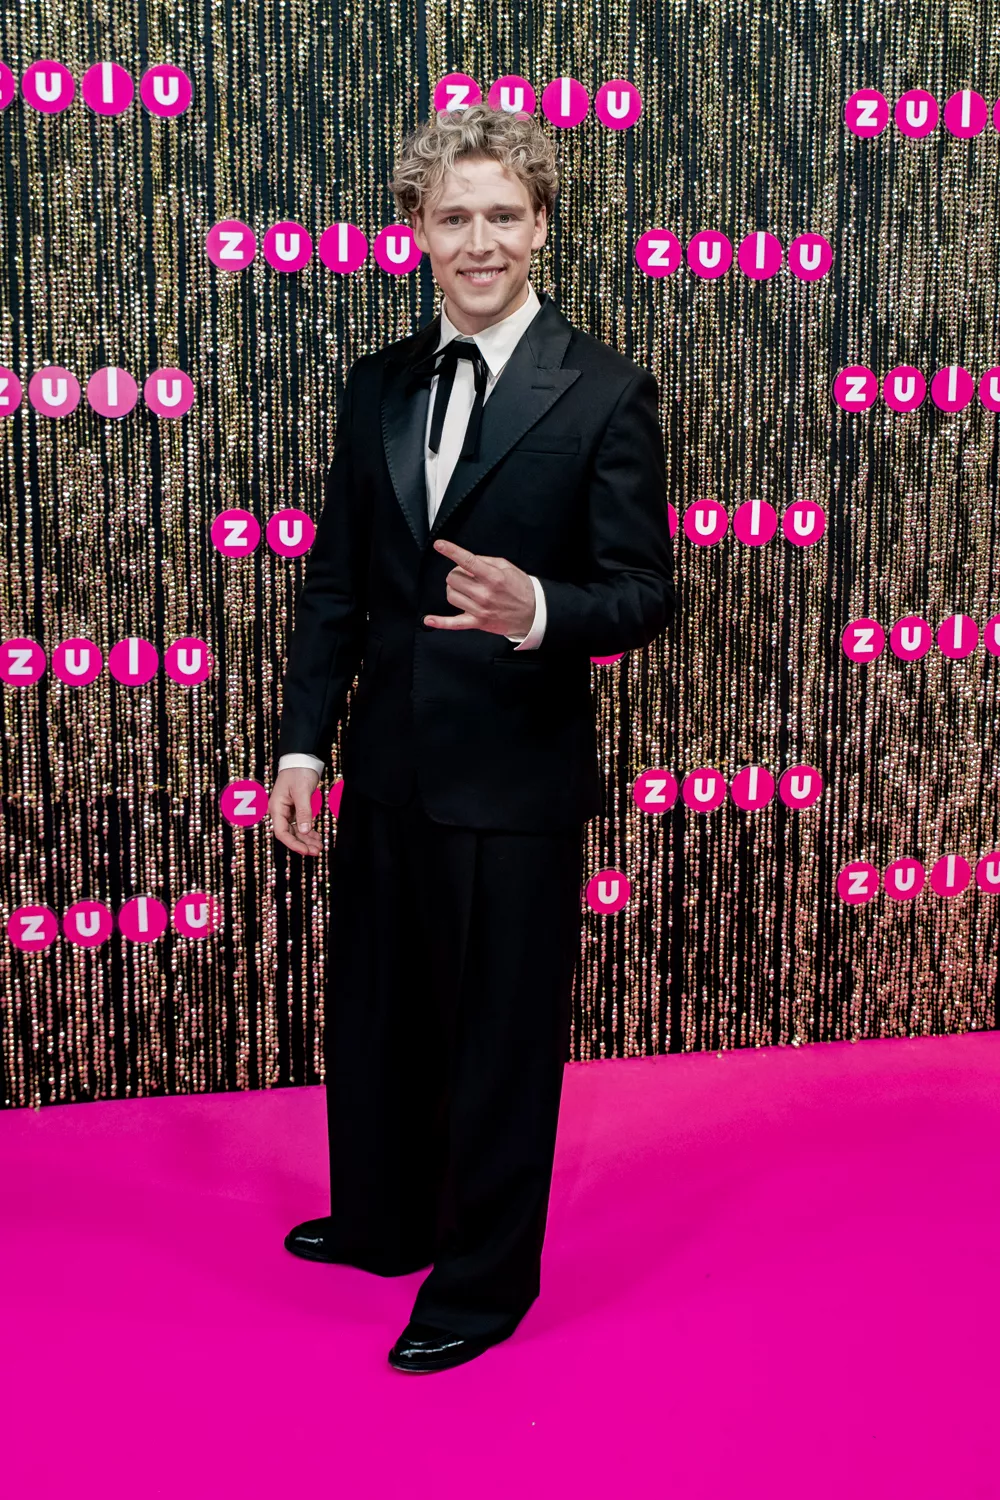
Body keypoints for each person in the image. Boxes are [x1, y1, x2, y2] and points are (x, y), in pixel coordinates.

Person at [268, 101, 675, 1374]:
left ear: (542, 225)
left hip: (513, 776)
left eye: (504, 214)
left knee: (499, 1043)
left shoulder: (604, 389)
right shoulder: (377, 383)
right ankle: (386, 1220)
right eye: (455, 217)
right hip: (386, 764)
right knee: (380, 1014)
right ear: (418, 230)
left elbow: (644, 593)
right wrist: (302, 749)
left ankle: (483, 1280)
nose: (480, 240)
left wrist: (540, 608)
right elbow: (337, 583)